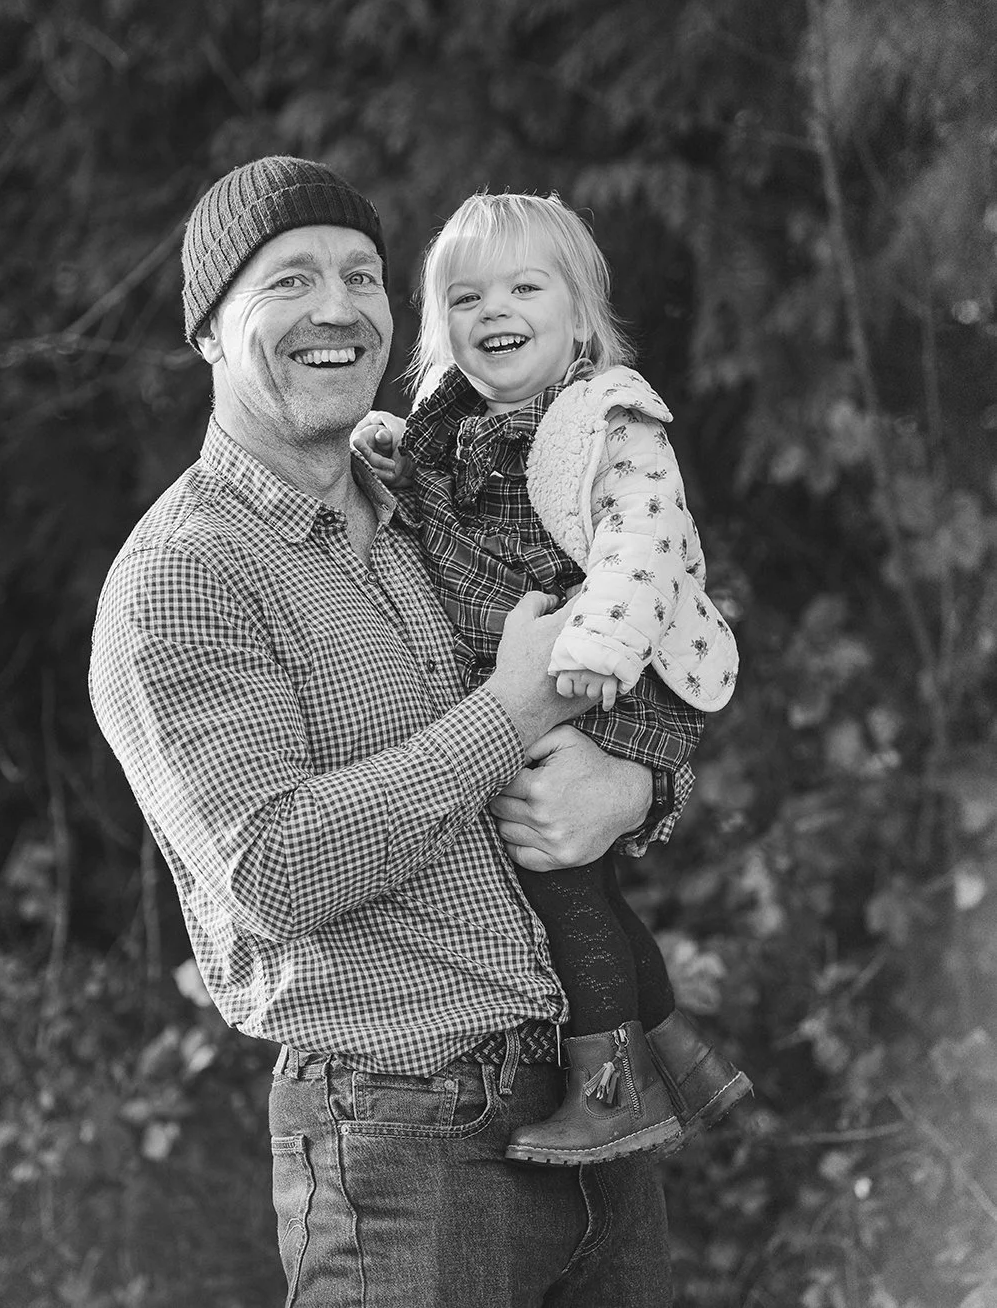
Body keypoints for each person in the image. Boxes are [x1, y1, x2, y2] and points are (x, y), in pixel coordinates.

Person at [89, 156, 679, 1307]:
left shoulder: (436, 495)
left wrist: (639, 788)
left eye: (363, 274)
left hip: (588, 1104)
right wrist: (505, 717)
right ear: (210, 330)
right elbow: (272, 864)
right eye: (289, 279)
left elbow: (653, 608)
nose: (338, 306)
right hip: (403, 1144)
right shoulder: (182, 576)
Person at [352, 190, 750, 1166]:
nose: (495, 311)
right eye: (466, 295)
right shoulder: (456, 425)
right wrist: (387, 453)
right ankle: (684, 1059)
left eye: (525, 287)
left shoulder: (608, 419)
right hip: (545, 671)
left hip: (610, 673)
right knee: (583, 882)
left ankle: (613, 1086)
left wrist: (596, 653)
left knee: (559, 880)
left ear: (581, 320)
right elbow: (453, 513)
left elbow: (643, 542)